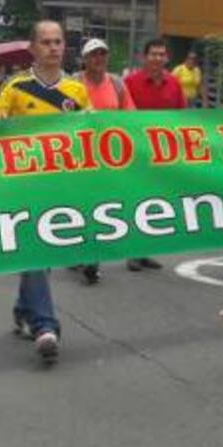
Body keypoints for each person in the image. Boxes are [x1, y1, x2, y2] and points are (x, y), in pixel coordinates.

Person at [0, 21, 90, 364]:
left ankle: (24, 308)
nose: (53, 47)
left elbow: (89, 133)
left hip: (59, 185)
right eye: (46, 42)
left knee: (40, 253)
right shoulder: (16, 87)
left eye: (58, 42)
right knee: (35, 252)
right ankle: (46, 326)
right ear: (33, 48)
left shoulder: (76, 91)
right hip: (22, 185)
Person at [76, 37, 136, 284]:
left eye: (103, 54)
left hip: (109, 158)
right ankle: (84, 253)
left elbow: (130, 117)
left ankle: (91, 258)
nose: (99, 58)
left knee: (101, 206)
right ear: (84, 59)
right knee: (83, 206)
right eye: (93, 54)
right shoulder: (73, 84)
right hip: (79, 158)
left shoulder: (117, 84)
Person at [123, 38, 185, 270]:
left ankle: (145, 251)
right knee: (136, 201)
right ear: (144, 57)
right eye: (153, 54)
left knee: (155, 202)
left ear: (167, 58)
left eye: (161, 54)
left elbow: (181, 118)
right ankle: (132, 252)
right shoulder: (130, 83)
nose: (157, 58)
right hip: (136, 154)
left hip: (163, 155)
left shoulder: (174, 84)